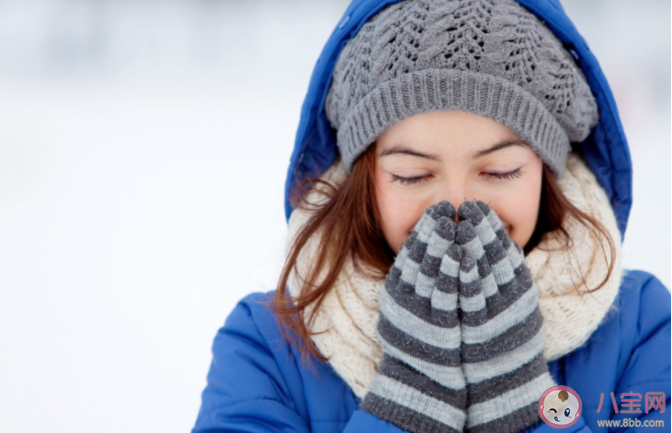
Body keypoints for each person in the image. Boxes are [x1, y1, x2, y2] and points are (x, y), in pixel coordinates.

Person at [191, 0, 671, 432]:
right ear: (365, 181)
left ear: (546, 172)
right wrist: (406, 404)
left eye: (500, 170)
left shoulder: (642, 327)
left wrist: (525, 407)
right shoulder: (268, 346)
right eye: (413, 175)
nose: (459, 207)